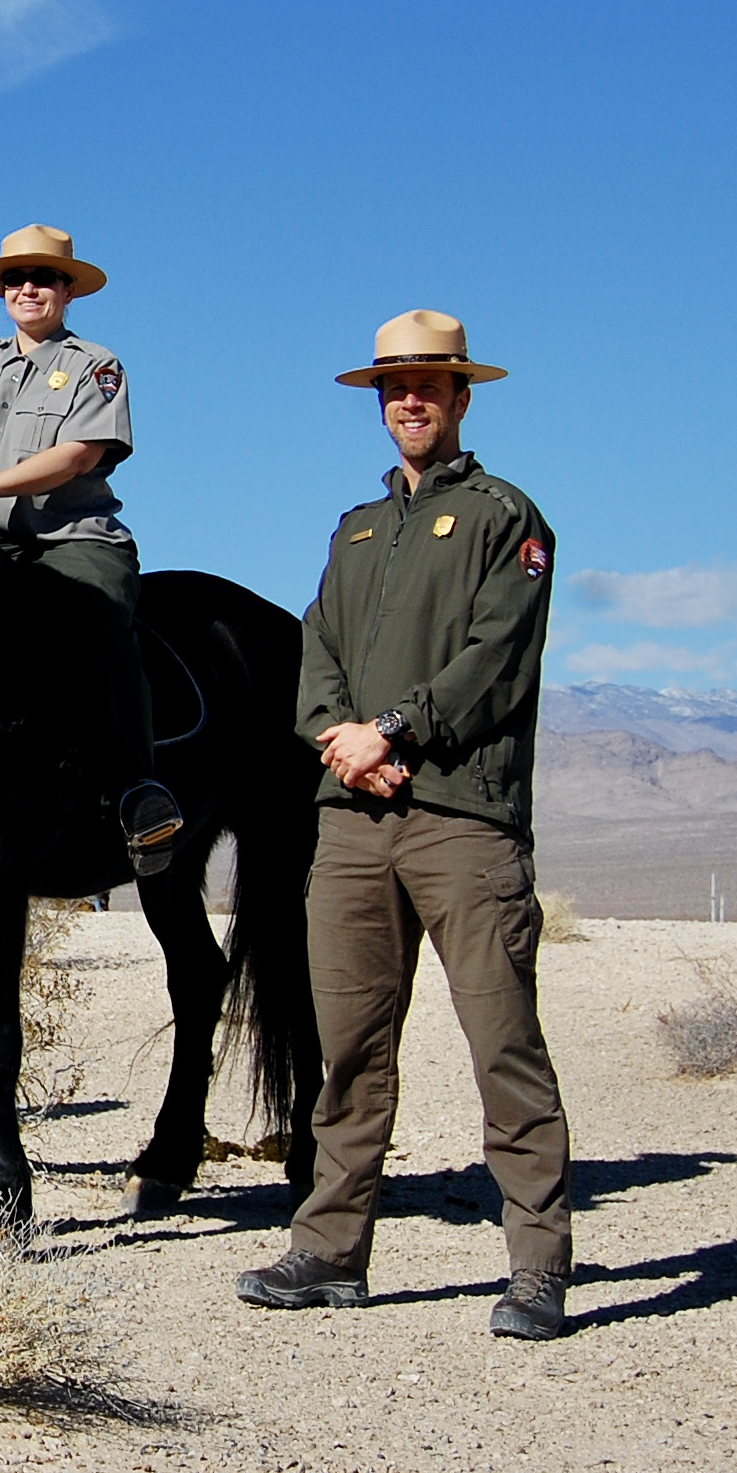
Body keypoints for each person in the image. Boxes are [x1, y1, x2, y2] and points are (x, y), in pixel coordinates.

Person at [236, 310, 573, 1341]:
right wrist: (336, 736)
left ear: (462, 395)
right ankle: (331, 1249)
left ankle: (535, 1267)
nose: (409, 401)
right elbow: (315, 648)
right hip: (347, 823)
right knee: (347, 1048)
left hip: (459, 820)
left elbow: (493, 659)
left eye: (428, 384)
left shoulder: (504, 518)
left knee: (500, 1044)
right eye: (393, 388)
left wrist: (390, 732)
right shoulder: (354, 528)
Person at [0, 225, 184, 874]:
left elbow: (82, 453)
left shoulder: (93, 366)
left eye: (44, 278)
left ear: (67, 290)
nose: (29, 289)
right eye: (15, 279)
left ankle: (139, 788)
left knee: (97, 618)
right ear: (2, 293)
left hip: (69, 540)